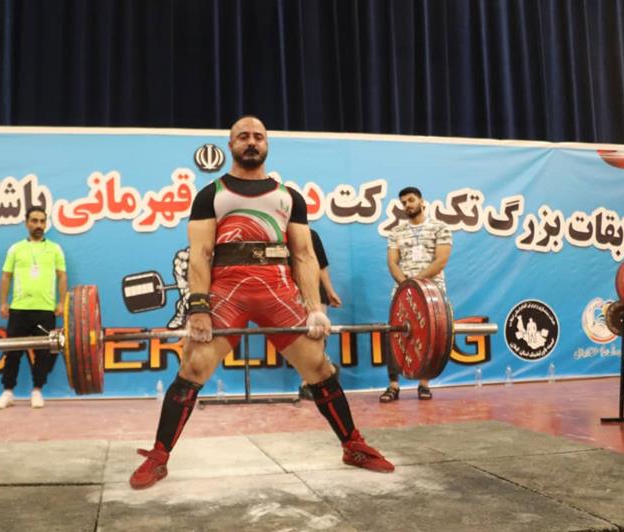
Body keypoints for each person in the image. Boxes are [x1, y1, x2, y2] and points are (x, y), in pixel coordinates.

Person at [129, 115, 394, 490]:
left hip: (277, 290)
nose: (251, 142)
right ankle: (159, 456)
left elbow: (304, 255)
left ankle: (353, 446)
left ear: (267, 144)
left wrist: (314, 308)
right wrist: (198, 307)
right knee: (194, 365)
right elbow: (200, 254)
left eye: (258, 136)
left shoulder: (289, 197)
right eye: (243, 137)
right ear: (231, 145)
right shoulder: (211, 194)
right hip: (228, 291)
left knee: (318, 367)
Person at [380, 186, 452, 402]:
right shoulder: (396, 232)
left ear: (422, 201)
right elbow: (392, 262)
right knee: (395, 334)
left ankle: (424, 384)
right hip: (403, 293)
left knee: (431, 337)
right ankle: (393, 386)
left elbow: (441, 260)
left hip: (433, 293)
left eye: (411, 200)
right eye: (403, 202)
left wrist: (417, 284)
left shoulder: (440, 227)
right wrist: (406, 286)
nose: (407, 205)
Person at [0, 206, 68, 410]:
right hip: (19, 309)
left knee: (44, 354)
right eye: (34, 221)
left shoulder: (55, 249)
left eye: (42, 221)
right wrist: (3, 302)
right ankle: (8, 392)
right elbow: (6, 277)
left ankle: (37, 391)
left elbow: (62, 276)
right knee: (13, 353)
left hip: (45, 310)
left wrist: (62, 302)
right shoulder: (16, 249)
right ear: (26, 223)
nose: (38, 225)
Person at [298, 228, 342, 400]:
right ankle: (329, 368)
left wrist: (330, 291)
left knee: (316, 338)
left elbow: (322, 266)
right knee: (299, 341)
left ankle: (307, 383)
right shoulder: (275, 235)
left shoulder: (311, 234)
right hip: (291, 293)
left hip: (316, 293)